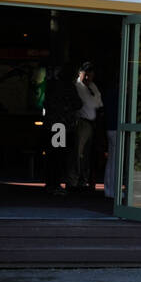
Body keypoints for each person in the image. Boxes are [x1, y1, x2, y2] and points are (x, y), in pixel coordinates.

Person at [42, 66, 81, 196]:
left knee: (52, 155)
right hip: (63, 125)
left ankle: (50, 183)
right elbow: (78, 104)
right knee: (60, 156)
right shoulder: (69, 87)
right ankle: (56, 184)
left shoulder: (51, 86)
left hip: (52, 124)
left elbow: (46, 103)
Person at [71, 62, 103, 191]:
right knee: (77, 153)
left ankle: (83, 179)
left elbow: (99, 104)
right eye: (85, 75)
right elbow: (85, 103)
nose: (87, 78)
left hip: (92, 123)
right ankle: (74, 180)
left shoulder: (93, 87)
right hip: (81, 122)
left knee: (87, 154)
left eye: (90, 75)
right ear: (80, 73)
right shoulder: (76, 86)